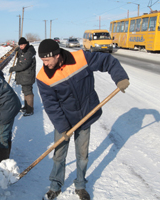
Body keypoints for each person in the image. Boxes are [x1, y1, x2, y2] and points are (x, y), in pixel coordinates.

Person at [36, 39, 129, 200]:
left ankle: (80, 185)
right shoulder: (43, 77)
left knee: (82, 154)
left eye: (46, 59)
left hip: (86, 115)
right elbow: (51, 105)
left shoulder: (81, 58)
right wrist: (63, 127)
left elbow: (107, 61)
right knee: (59, 154)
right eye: (42, 60)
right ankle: (55, 185)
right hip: (63, 119)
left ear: (57, 55)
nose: (44, 64)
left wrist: (120, 77)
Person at [9, 37, 36, 116]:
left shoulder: (29, 53)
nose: (21, 46)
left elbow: (23, 65)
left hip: (27, 75)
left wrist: (13, 68)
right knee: (25, 91)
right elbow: (20, 54)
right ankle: (26, 107)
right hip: (25, 75)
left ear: (26, 44)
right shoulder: (24, 50)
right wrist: (17, 50)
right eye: (20, 45)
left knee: (28, 92)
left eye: (22, 45)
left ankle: (30, 110)